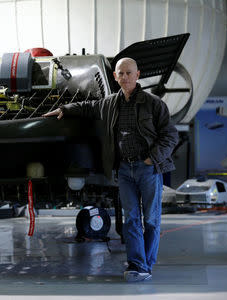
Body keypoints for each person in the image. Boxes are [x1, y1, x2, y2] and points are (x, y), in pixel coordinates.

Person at [43, 57, 178, 282]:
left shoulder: (154, 104)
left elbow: (170, 135)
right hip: (124, 170)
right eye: (121, 74)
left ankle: (146, 264)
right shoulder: (109, 103)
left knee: (151, 220)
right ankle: (137, 265)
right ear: (115, 77)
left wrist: (151, 159)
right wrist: (64, 109)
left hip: (149, 169)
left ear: (138, 75)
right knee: (131, 219)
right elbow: (87, 107)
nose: (125, 77)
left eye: (129, 73)